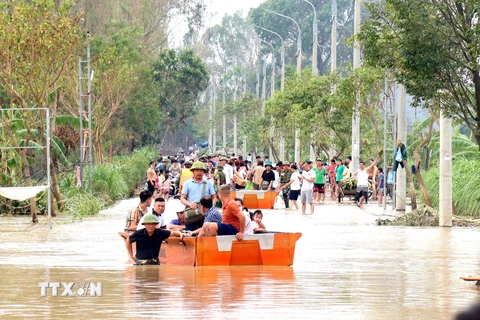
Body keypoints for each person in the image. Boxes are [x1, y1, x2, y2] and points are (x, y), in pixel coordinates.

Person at [181, 161, 216, 230]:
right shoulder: (187, 184)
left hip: (205, 213)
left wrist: (211, 208)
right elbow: (182, 198)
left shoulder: (208, 183)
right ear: (193, 171)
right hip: (192, 213)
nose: (199, 172)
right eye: (197, 170)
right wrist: (190, 204)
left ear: (204, 172)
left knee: (205, 233)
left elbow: (214, 197)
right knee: (190, 233)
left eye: (201, 171)